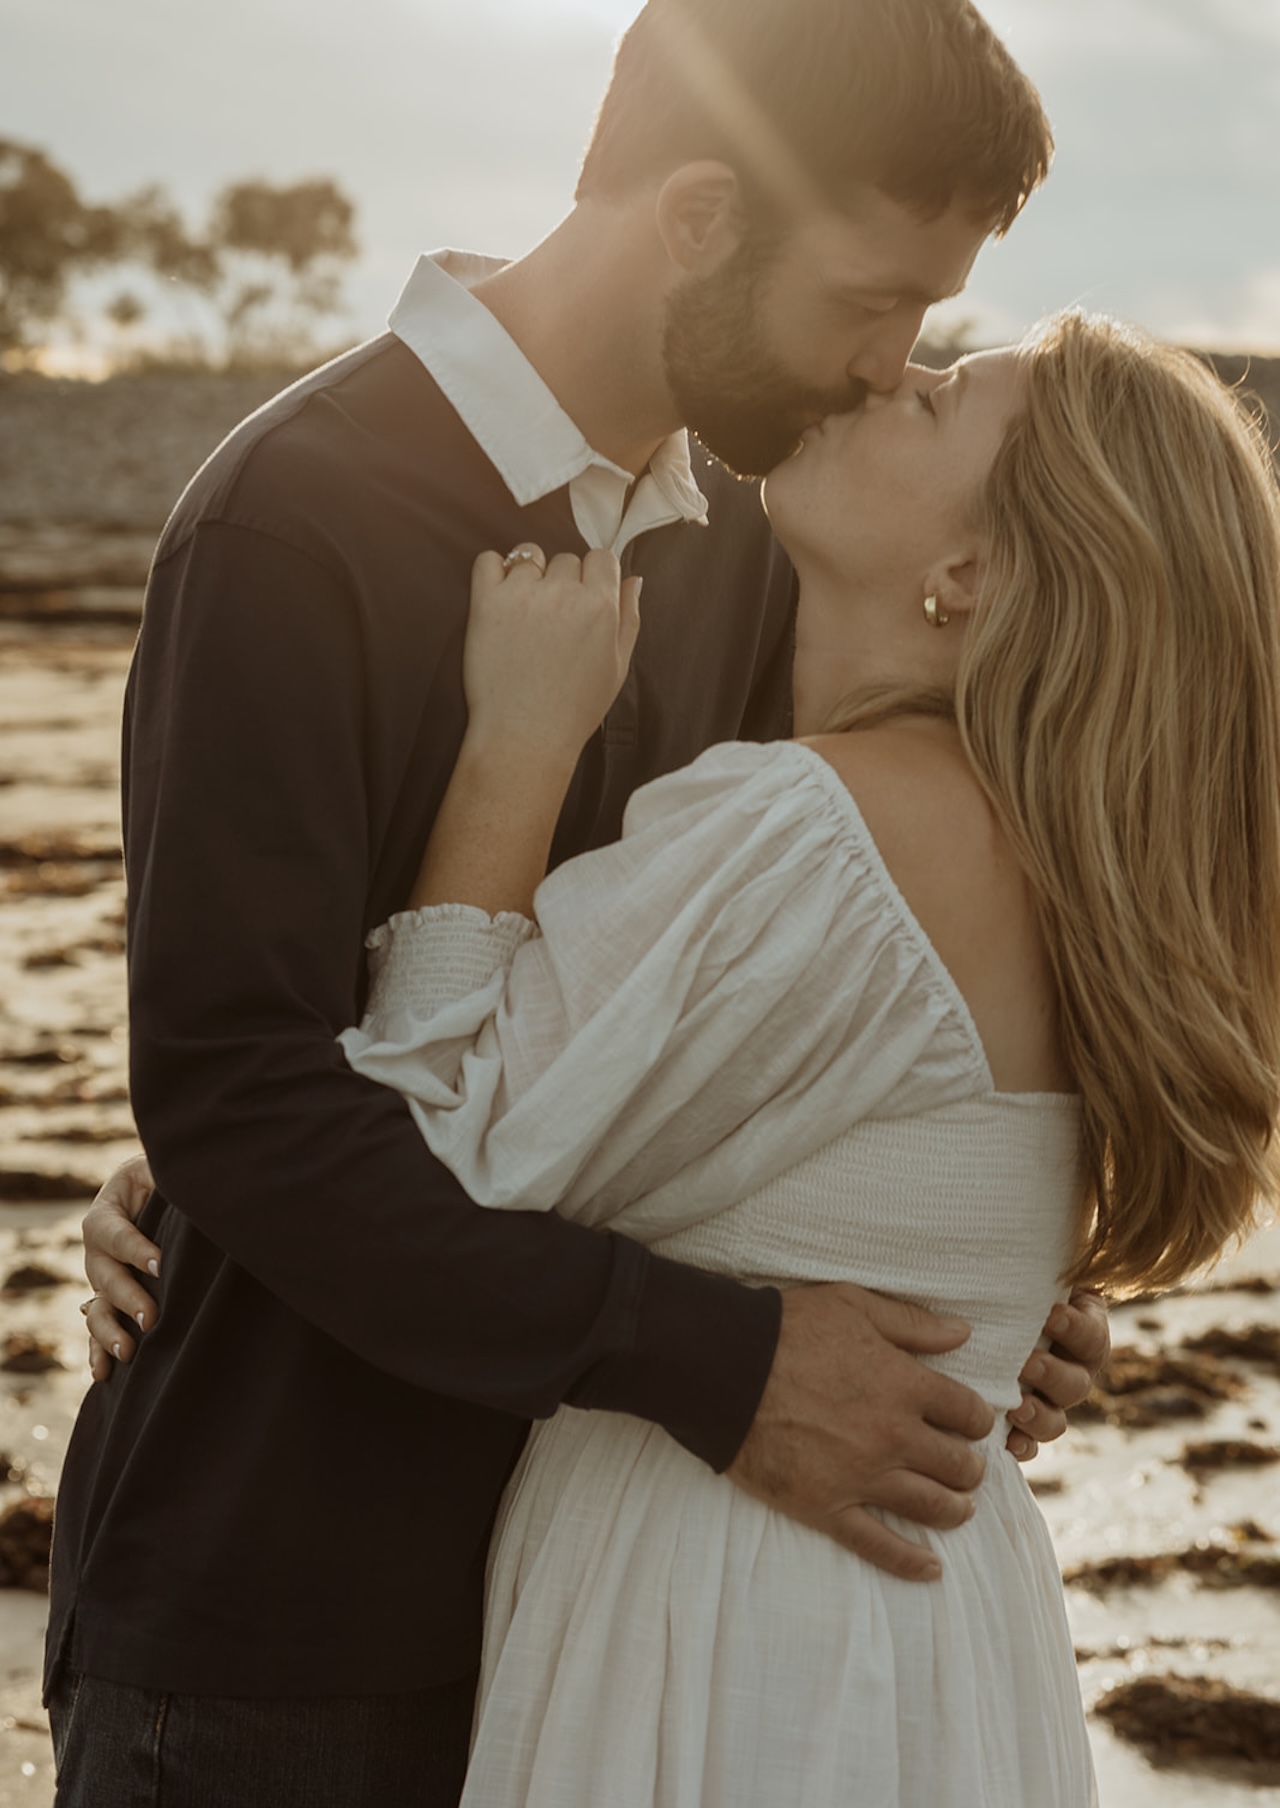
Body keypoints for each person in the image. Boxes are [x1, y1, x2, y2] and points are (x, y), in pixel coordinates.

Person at [52, 0, 1106, 1808]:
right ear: (700, 216)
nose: (889, 372)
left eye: (925, 327)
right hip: (286, 1627)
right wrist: (718, 1362)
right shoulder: (293, 524)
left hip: (605, 1617)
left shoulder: (766, 553)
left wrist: (978, 1263)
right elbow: (241, 1096)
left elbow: (763, 1011)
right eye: (869, 304)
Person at [331, 312, 1280, 1804]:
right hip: (939, 1625)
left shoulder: (827, 831)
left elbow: (422, 1148)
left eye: (946, 395)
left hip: (726, 1608)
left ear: (969, 574)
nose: (889, 370)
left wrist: (516, 747)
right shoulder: (1068, 868)